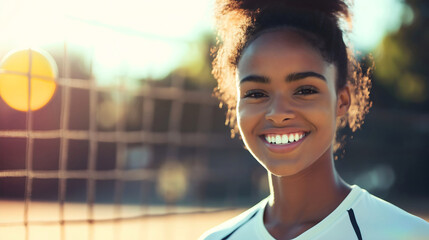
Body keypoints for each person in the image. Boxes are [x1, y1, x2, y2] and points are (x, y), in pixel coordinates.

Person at [199, 0, 429, 239]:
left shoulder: (408, 234)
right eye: (256, 94)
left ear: (342, 101)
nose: (278, 113)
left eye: (305, 90)